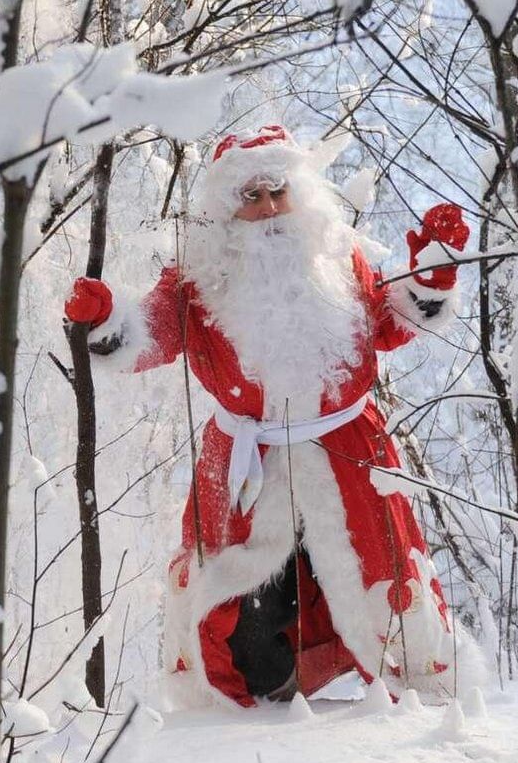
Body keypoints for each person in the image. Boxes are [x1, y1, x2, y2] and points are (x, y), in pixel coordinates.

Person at [63, 126, 473, 707]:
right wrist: (106, 323)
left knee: (378, 586)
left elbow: (385, 323)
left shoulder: (338, 258)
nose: (269, 208)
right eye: (251, 197)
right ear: (227, 209)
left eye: (278, 191)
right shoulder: (197, 277)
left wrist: (429, 281)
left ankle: (415, 701)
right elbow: (153, 329)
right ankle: (272, 709)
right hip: (244, 461)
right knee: (241, 617)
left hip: (350, 455)